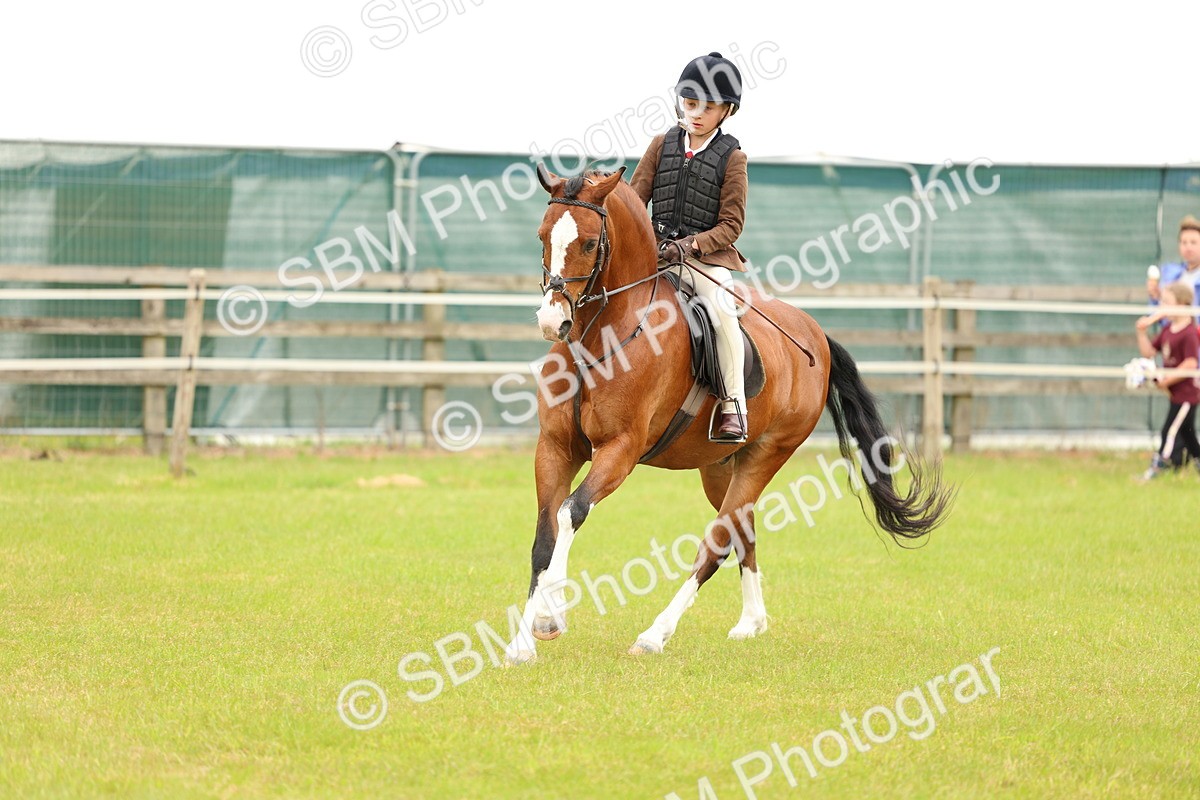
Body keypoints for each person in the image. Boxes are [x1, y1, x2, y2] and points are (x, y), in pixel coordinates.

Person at [630, 51, 750, 442]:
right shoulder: (661, 144)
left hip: (704, 262)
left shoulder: (732, 157)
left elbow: (732, 225)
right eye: (690, 103)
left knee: (722, 314)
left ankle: (733, 404)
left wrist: (691, 245)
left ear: (726, 111)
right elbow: (635, 201)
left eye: (707, 107)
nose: (696, 113)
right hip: (655, 255)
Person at [1134, 281, 1200, 479]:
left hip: (1188, 395)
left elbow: (1190, 364)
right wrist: (1141, 331)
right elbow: (1148, 352)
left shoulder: (1189, 333)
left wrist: (1167, 379)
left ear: (1182, 304)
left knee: (1169, 431)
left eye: (1167, 302)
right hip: (1176, 394)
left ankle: (1157, 468)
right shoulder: (1167, 330)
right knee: (1188, 434)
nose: (1162, 307)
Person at [1146, 215, 1200, 318]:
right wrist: (1156, 297)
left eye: (1193, 242)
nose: (1188, 247)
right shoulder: (1170, 275)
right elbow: (1156, 314)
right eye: (1184, 242)